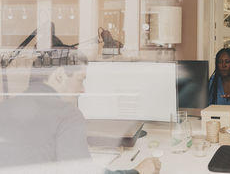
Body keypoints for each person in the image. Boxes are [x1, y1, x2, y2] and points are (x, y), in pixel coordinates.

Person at [0, 49, 160, 174]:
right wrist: (137, 171)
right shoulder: (65, 114)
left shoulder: (5, 109)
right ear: (60, 75)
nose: (82, 90)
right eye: (80, 80)